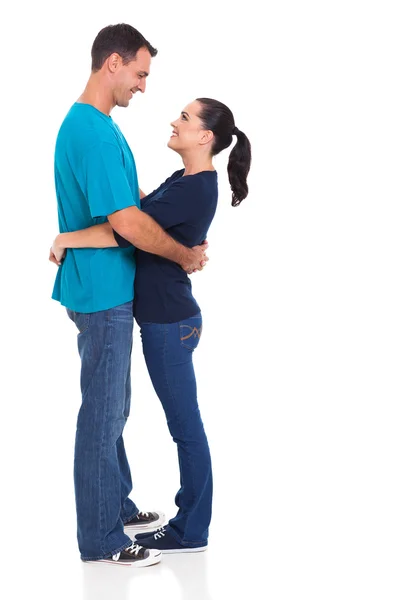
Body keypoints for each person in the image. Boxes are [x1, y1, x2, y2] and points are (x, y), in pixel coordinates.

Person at [51, 97, 252, 553]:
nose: (173, 121)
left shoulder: (197, 188)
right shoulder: (185, 179)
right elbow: (141, 209)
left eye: (184, 117)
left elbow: (130, 230)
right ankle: (164, 516)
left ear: (205, 136)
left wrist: (66, 237)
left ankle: (191, 529)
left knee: (185, 426)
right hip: (165, 320)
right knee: (169, 420)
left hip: (169, 326)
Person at [51, 23, 208, 567]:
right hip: (102, 289)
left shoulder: (100, 126)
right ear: (112, 63)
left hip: (104, 283)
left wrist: (171, 222)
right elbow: (127, 223)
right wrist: (185, 255)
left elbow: (133, 200)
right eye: (140, 73)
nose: (143, 86)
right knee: (103, 414)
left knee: (111, 407)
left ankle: (113, 502)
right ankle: (102, 539)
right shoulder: (92, 132)